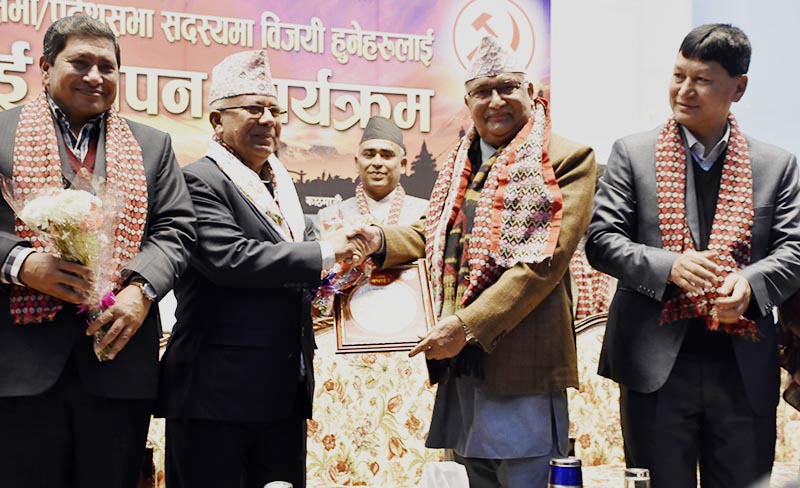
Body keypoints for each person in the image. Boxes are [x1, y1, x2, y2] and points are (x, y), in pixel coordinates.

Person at [351, 36, 597, 487]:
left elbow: (541, 264)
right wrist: (377, 240)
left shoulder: (567, 159)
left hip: (522, 363)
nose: (496, 100)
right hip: (462, 368)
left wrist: (465, 326)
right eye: (483, 91)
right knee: (467, 477)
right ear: (468, 101)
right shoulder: (459, 163)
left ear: (530, 92)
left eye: (507, 87)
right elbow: (433, 232)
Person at [586, 24, 800, 488]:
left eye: (701, 80)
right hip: (655, 364)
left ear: (738, 88)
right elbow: (602, 241)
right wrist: (670, 266)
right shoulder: (632, 153)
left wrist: (751, 285)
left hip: (741, 364)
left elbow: (793, 250)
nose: (684, 90)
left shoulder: (776, 165)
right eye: (678, 75)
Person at [0, 15, 196, 488]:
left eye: (106, 67)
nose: (94, 76)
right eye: (80, 62)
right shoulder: (1, 134)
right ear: (45, 67)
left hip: (118, 361)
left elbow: (177, 229)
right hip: (18, 368)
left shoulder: (153, 146)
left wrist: (141, 291)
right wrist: (21, 264)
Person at [158, 49, 363, 488]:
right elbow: (231, 259)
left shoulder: (281, 187)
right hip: (216, 395)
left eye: (275, 110)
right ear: (217, 120)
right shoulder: (198, 181)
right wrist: (327, 253)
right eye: (254, 108)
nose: (268, 119)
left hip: (282, 392)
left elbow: (294, 256)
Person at [315, 115, 428, 234]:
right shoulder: (328, 217)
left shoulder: (425, 213)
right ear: (357, 163)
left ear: (403, 165)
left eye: (386, 155)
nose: (377, 162)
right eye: (369, 155)